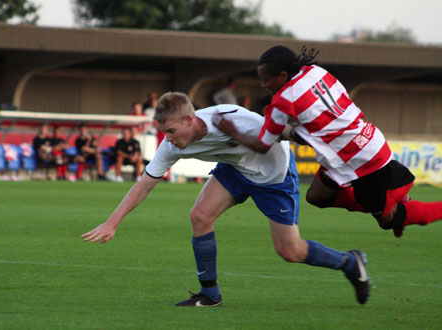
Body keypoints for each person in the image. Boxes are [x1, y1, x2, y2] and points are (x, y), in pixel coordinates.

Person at [82, 92, 371, 307]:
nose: (167, 139)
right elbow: (144, 185)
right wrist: (112, 223)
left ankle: (349, 262)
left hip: (273, 176)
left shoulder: (232, 119)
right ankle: (210, 294)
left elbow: (282, 132)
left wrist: (322, 141)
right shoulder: (171, 145)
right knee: (199, 216)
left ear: (189, 119)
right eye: (163, 133)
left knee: (290, 251)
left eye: (171, 131)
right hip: (235, 170)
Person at [213, 45, 442, 238]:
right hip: (362, 142)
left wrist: (232, 130)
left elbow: (262, 145)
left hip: (361, 161)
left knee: (388, 221)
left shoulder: (283, 102)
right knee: (317, 196)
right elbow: (316, 120)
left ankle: (409, 208)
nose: (263, 84)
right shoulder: (315, 71)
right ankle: (390, 201)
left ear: (282, 75)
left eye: (265, 78)